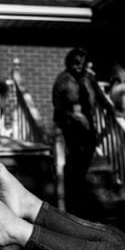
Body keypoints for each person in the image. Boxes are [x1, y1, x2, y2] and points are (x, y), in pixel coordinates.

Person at [52, 48, 97, 215]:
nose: (79, 66)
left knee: (90, 148)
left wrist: (114, 112)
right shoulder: (62, 80)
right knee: (75, 157)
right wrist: (73, 116)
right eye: (76, 63)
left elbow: (99, 96)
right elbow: (57, 106)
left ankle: (79, 182)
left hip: (88, 123)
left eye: (82, 63)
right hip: (70, 125)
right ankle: (74, 196)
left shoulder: (89, 78)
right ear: (70, 63)